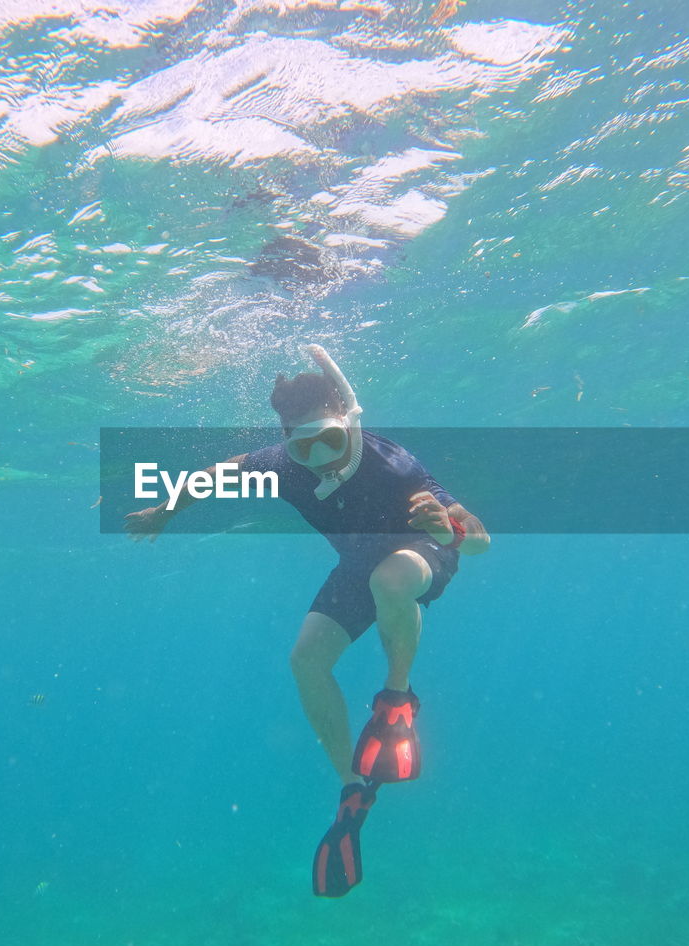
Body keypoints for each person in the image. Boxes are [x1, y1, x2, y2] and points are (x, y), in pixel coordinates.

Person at [124, 344, 489, 896]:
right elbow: (213, 475)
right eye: (304, 445)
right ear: (287, 440)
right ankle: (352, 789)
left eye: (331, 440)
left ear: (351, 426)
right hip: (360, 564)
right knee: (306, 660)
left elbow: (481, 540)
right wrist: (162, 512)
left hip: (420, 553)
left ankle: (397, 702)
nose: (320, 458)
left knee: (390, 582)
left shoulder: (394, 467)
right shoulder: (282, 464)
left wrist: (448, 526)